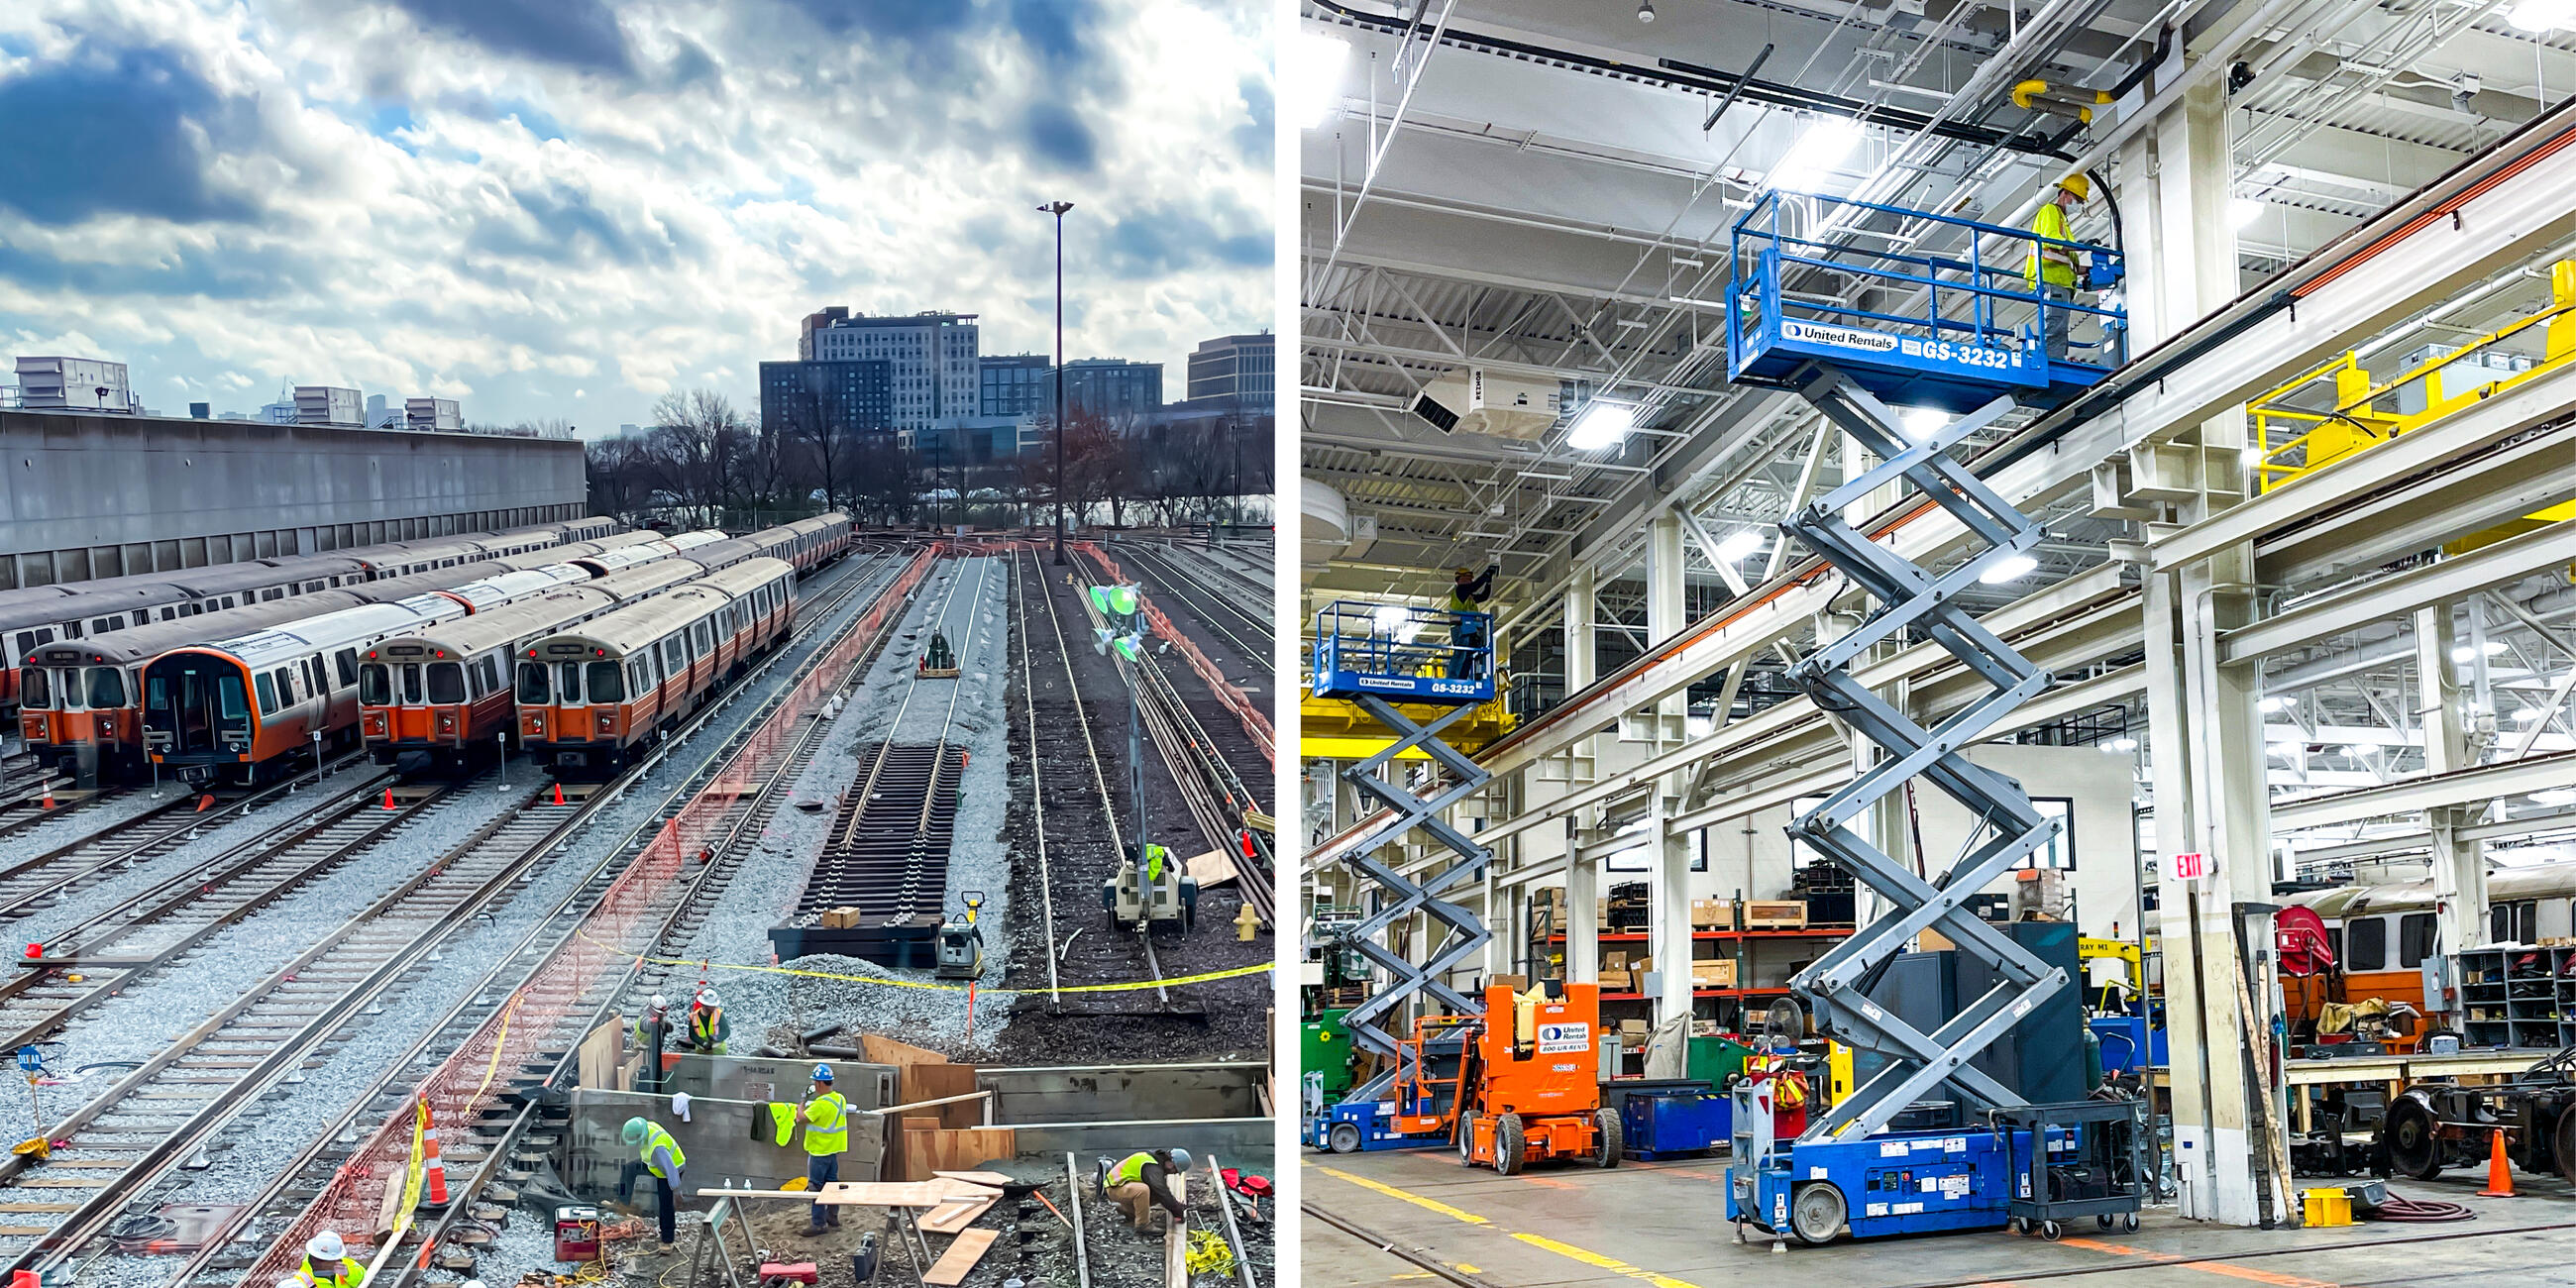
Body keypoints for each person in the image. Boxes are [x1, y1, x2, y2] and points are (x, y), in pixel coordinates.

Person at [2025, 174, 2090, 363]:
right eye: (2077, 200)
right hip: (2051, 280)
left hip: (2059, 282)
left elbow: (2066, 261)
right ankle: (2053, 363)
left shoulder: (2062, 220)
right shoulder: (2050, 211)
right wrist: (2081, 246)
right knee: (2055, 327)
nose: (2077, 204)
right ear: (2065, 193)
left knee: (2059, 327)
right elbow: (2052, 242)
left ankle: (2056, 359)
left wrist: (2086, 270)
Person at [797, 1064, 849, 1235]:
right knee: (832, 1185)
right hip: (833, 1151)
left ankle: (818, 1224)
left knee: (815, 1187)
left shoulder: (820, 1105)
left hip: (819, 1152)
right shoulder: (840, 1098)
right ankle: (832, 1216)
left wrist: (802, 1103)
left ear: (819, 1083)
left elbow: (801, 1119)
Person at [620, 1116, 688, 1246]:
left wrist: (677, 1192)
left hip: (671, 1169)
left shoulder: (658, 1149)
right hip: (654, 1164)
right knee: (629, 1169)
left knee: (665, 1203)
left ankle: (667, 1239)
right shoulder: (647, 1126)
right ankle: (623, 1202)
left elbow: (671, 1171)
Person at [1099, 1148, 1192, 1234]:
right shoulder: (1152, 1167)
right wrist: (1177, 1211)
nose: (1172, 1173)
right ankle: (1142, 1225)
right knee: (1143, 1190)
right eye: (1174, 1170)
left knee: (1155, 1193)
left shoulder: (1153, 1161)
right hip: (1114, 1188)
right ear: (1171, 1163)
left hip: (1123, 1186)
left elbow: (1162, 1193)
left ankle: (1128, 1211)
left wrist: (1175, 1205)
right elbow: (1162, 1192)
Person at [1444, 565, 1498, 679]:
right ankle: (1453, 678)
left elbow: (1483, 596)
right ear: (1460, 579)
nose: (1470, 580)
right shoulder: (1460, 591)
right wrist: (1486, 574)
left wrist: (1488, 582)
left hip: (1469, 629)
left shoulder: (1468, 596)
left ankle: (1462, 678)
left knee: (1467, 656)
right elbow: (1474, 586)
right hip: (1460, 628)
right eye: (1468, 578)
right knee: (1460, 654)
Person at [631, 995, 672, 1093]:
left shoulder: (657, 1018)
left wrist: (665, 1027)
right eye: (660, 1013)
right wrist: (652, 1023)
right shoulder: (645, 1018)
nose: (662, 1015)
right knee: (647, 1083)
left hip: (653, 1054)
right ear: (652, 1010)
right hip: (644, 1057)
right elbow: (645, 1024)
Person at [294, 1232, 364, 1288]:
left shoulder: (345, 1264)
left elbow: (364, 1277)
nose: (338, 1261)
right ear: (320, 1261)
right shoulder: (302, 1282)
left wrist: (349, 1274)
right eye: (334, 1260)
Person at [683, 987, 729, 1055]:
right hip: (701, 1053)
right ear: (705, 1005)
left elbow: (726, 1031)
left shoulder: (718, 1014)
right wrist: (703, 1043)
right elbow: (692, 1035)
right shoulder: (694, 1016)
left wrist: (717, 1038)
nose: (714, 1007)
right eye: (712, 1005)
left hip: (719, 1052)